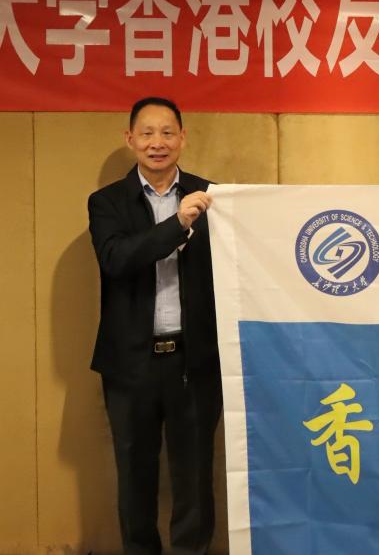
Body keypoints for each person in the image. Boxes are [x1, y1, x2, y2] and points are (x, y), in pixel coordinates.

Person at [87, 97, 220, 555]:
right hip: (130, 366)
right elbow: (117, 259)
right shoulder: (106, 202)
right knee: (134, 476)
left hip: (195, 362)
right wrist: (178, 224)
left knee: (195, 478)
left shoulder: (212, 196)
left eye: (167, 132)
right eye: (147, 133)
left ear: (183, 138)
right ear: (130, 139)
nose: (157, 143)